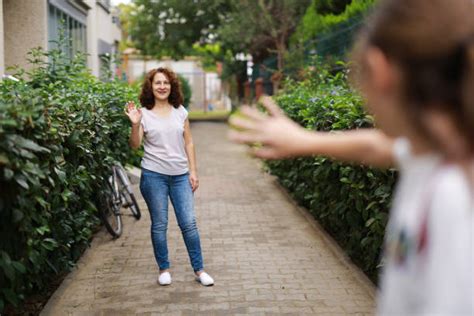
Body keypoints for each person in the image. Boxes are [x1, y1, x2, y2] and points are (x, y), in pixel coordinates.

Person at [230, 0, 473, 314]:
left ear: (379, 69)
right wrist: (305, 140)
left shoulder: (452, 197)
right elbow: (375, 147)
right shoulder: (436, 156)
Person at [125, 67, 214, 286]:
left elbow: (189, 142)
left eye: (166, 83)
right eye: (158, 83)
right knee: (159, 224)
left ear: (171, 86)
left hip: (180, 175)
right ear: (151, 87)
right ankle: (164, 269)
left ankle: (199, 270)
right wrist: (135, 124)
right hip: (154, 176)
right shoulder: (144, 113)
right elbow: (135, 146)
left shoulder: (180, 111)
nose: (162, 86)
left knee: (189, 223)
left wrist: (193, 171)